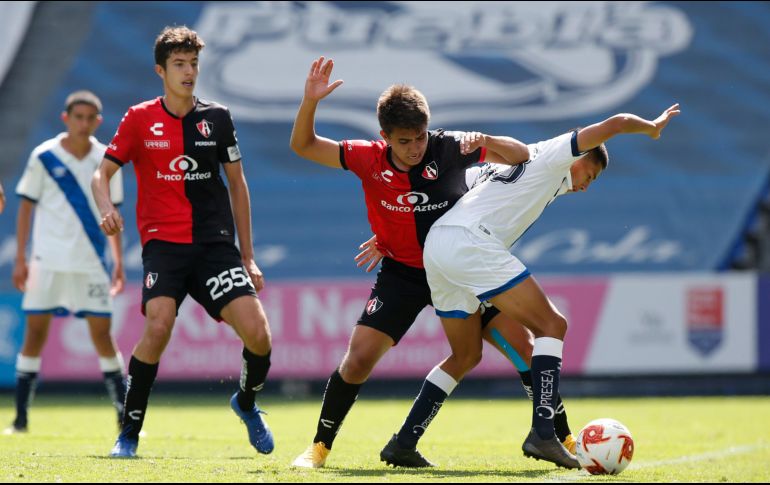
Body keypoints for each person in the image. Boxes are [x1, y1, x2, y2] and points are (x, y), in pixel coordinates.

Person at [289, 56, 577, 469]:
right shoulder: (366, 158)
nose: (414, 148)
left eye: (420, 138)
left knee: (522, 348)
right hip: (403, 274)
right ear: (384, 137)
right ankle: (318, 448)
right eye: (404, 141)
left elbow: (520, 157)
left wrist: (489, 140)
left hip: (459, 269)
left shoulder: (449, 145)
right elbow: (302, 145)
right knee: (358, 359)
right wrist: (310, 102)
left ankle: (561, 437)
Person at [388, 104, 681, 468]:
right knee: (552, 325)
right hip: (469, 244)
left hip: (438, 250)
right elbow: (616, 123)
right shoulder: (555, 154)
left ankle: (403, 442)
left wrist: (390, 231)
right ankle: (543, 434)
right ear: (580, 156)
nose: (588, 185)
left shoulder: (515, 170)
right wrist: (651, 127)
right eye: (591, 173)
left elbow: (448, 191)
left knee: (466, 355)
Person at [91, 26, 273, 459]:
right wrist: (105, 208)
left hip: (214, 247)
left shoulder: (218, 119)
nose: (189, 71)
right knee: (158, 325)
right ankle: (129, 434)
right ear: (161, 70)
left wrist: (247, 256)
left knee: (260, 337)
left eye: (193, 63)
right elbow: (102, 173)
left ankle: (246, 403)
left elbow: (238, 186)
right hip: (164, 246)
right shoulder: (139, 118)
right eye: (179, 64)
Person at [5, 90, 127, 435]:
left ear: (98, 122)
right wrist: (21, 258)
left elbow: (113, 216)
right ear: (66, 118)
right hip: (47, 261)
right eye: (78, 117)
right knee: (35, 335)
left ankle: (124, 417)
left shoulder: (107, 159)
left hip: (90, 263)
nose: (84, 123)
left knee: (103, 336)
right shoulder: (43, 157)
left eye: (90, 118)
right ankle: (21, 418)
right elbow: (26, 207)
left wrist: (117, 262)